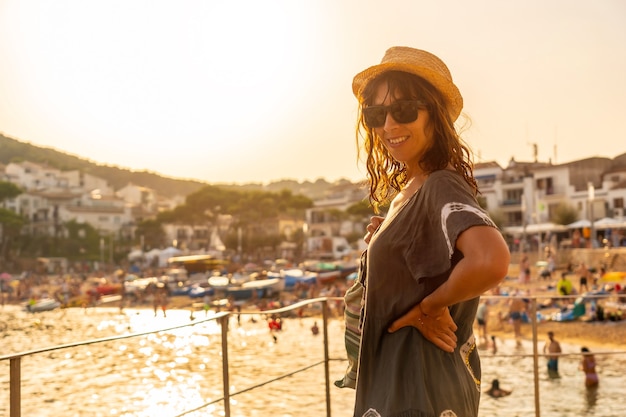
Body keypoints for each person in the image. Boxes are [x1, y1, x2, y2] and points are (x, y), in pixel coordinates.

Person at [348, 46, 511, 417]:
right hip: (401, 384)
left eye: (404, 110)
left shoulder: (440, 184)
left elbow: (490, 260)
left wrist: (428, 309)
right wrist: (388, 240)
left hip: (420, 390)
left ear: (434, 116)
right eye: (376, 113)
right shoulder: (409, 193)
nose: (388, 125)